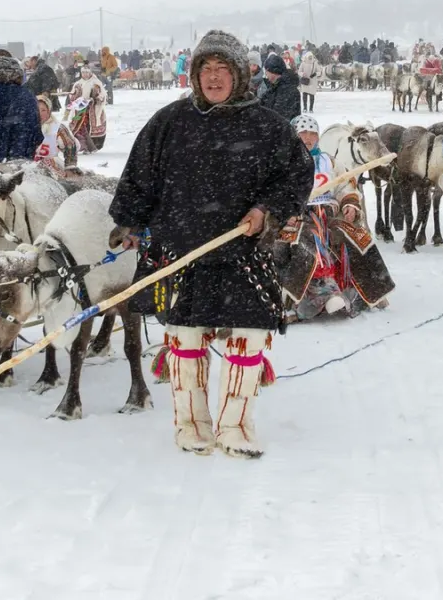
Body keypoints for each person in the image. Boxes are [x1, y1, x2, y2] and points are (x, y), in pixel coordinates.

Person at [109, 30, 313, 458]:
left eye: (223, 70)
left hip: (244, 254)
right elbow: (139, 177)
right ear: (195, 75)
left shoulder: (268, 127)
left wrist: (265, 211)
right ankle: (191, 425)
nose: (214, 78)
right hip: (181, 252)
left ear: (239, 75)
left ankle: (236, 428)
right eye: (206, 69)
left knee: (249, 338)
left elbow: (295, 178)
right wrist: (128, 222)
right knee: (185, 339)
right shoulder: (169, 122)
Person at [273, 114, 395, 320]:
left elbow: (345, 185)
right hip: (298, 217)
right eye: (303, 134)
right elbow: (273, 194)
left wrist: (350, 204)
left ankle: (368, 292)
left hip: (330, 213)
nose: (308, 138)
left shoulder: (329, 162)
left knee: (356, 237)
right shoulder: (281, 164)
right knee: (310, 241)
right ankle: (312, 299)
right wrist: (285, 212)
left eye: (312, 133)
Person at [32, 95, 80, 175]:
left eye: (43, 110)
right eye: (36, 110)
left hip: (50, 169)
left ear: (49, 111)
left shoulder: (57, 128)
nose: (39, 113)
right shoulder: (26, 127)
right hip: (28, 166)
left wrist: (70, 167)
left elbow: (70, 147)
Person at [259, 54, 301, 122]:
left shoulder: (287, 91)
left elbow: (280, 118)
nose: (266, 74)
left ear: (273, 71)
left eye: (266, 71)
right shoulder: (274, 88)